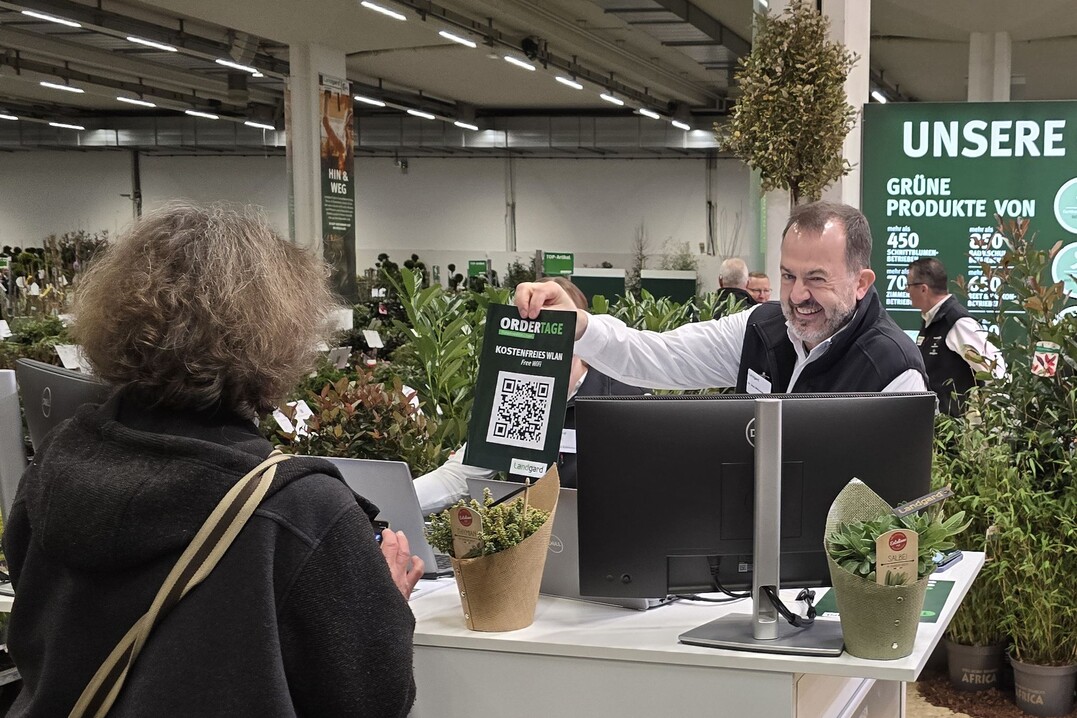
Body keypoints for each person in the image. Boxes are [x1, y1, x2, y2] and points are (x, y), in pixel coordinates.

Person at [1, 203, 421, 716]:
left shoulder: (59, 461)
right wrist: (386, 605)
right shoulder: (299, 508)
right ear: (281, 334)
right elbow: (371, 700)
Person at [515, 201, 927, 394]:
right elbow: (658, 355)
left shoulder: (893, 370)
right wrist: (579, 325)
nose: (799, 295)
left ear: (861, 282)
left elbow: (891, 510)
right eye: (788, 276)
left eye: (817, 279)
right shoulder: (761, 329)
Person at [414, 276, 645, 515]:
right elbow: (458, 477)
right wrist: (392, 503)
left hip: (601, 529)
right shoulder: (520, 396)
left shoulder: (622, 399)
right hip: (531, 534)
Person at [907, 257, 1005, 416]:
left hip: (953, 426)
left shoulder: (958, 323)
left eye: (909, 285)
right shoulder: (932, 319)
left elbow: (996, 372)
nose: (907, 291)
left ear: (923, 289)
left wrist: (988, 421)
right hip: (932, 422)